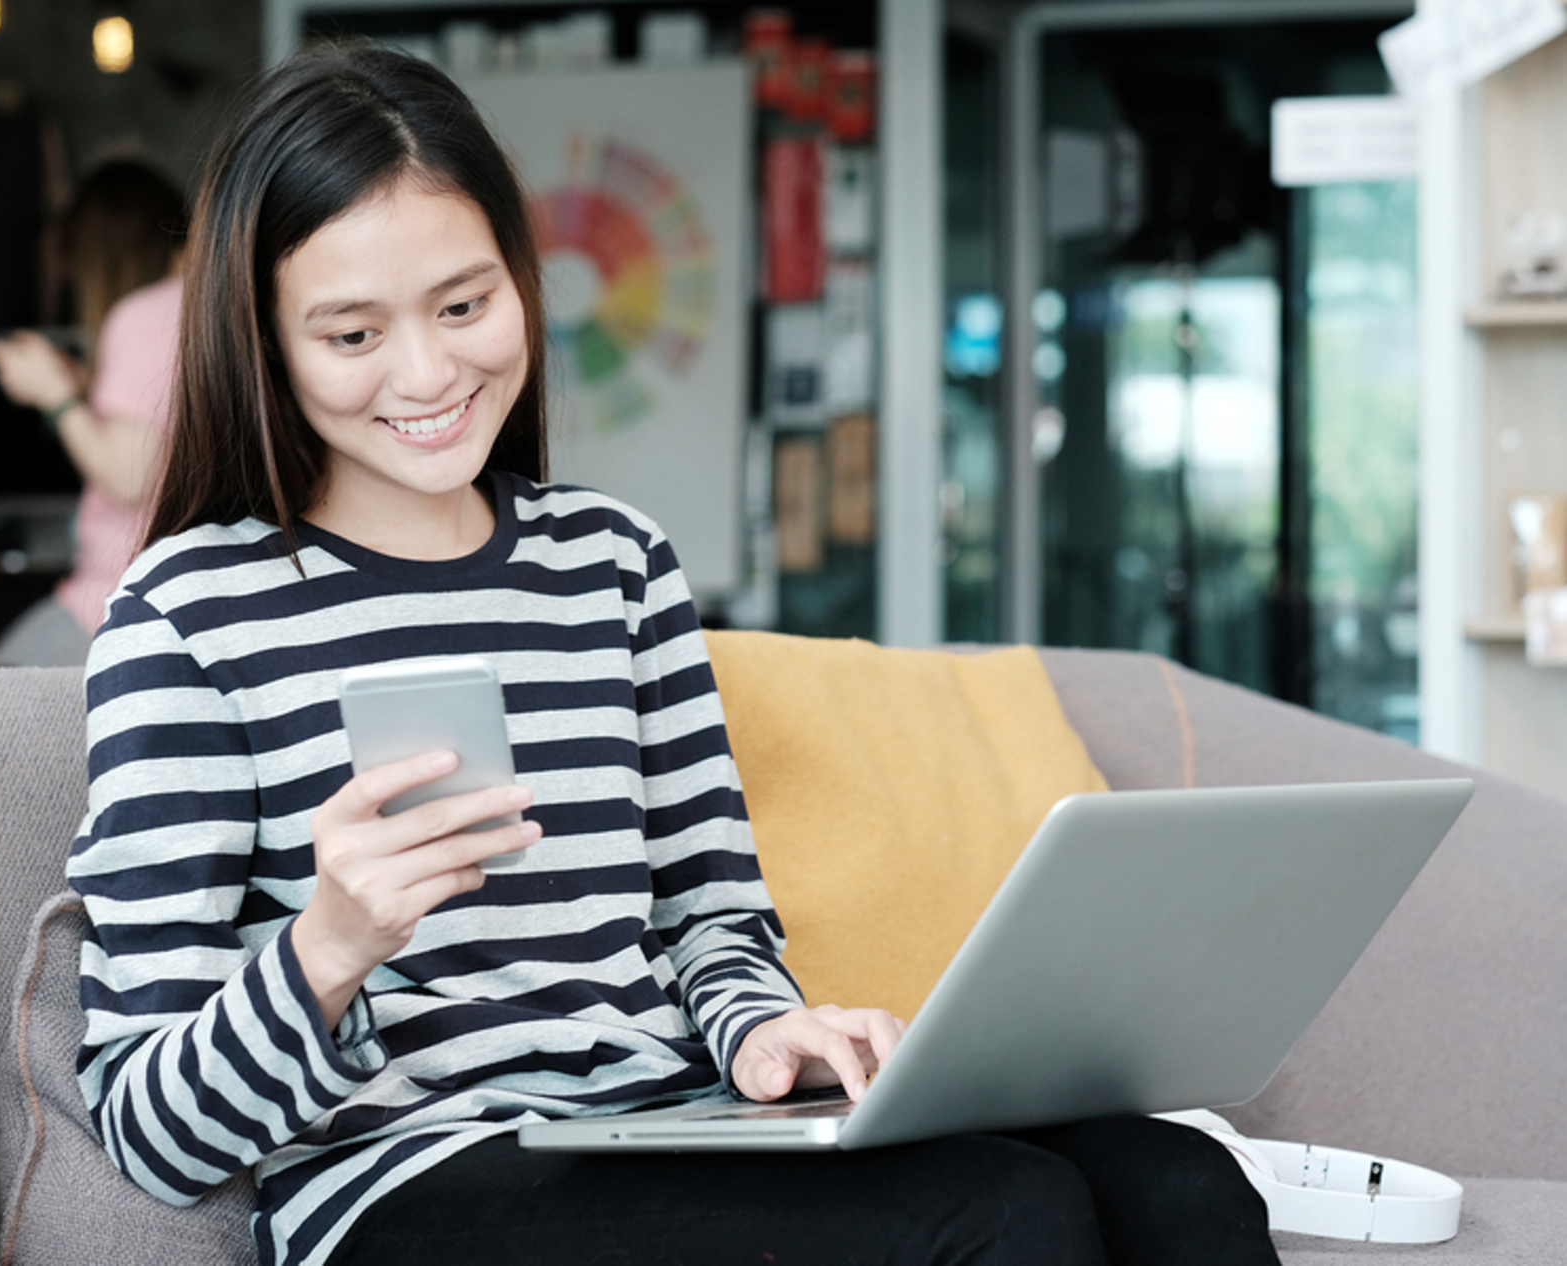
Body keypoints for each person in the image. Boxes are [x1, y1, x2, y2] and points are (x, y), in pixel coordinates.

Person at [69, 44, 1280, 1266]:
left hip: (658, 1128)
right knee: (997, 1211)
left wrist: (761, 1036)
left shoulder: (612, 562)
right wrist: (326, 946)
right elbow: (149, 1130)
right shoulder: (189, 612)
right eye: (350, 333)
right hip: (401, 1178)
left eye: (464, 304)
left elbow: (710, 918)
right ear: (264, 339)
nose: (430, 372)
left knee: (1182, 1180)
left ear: (525, 281)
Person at [0, 160, 185, 666]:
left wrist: (57, 396)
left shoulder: (143, 313)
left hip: (117, 603)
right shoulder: (199, 308)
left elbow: (132, 473)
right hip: (166, 603)